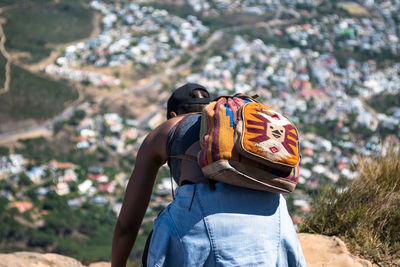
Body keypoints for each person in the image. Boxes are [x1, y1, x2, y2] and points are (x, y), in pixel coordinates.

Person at [111, 83, 306, 267]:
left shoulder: (168, 127)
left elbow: (127, 224)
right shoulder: (235, 124)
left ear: (172, 114)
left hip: (202, 220)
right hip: (276, 217)